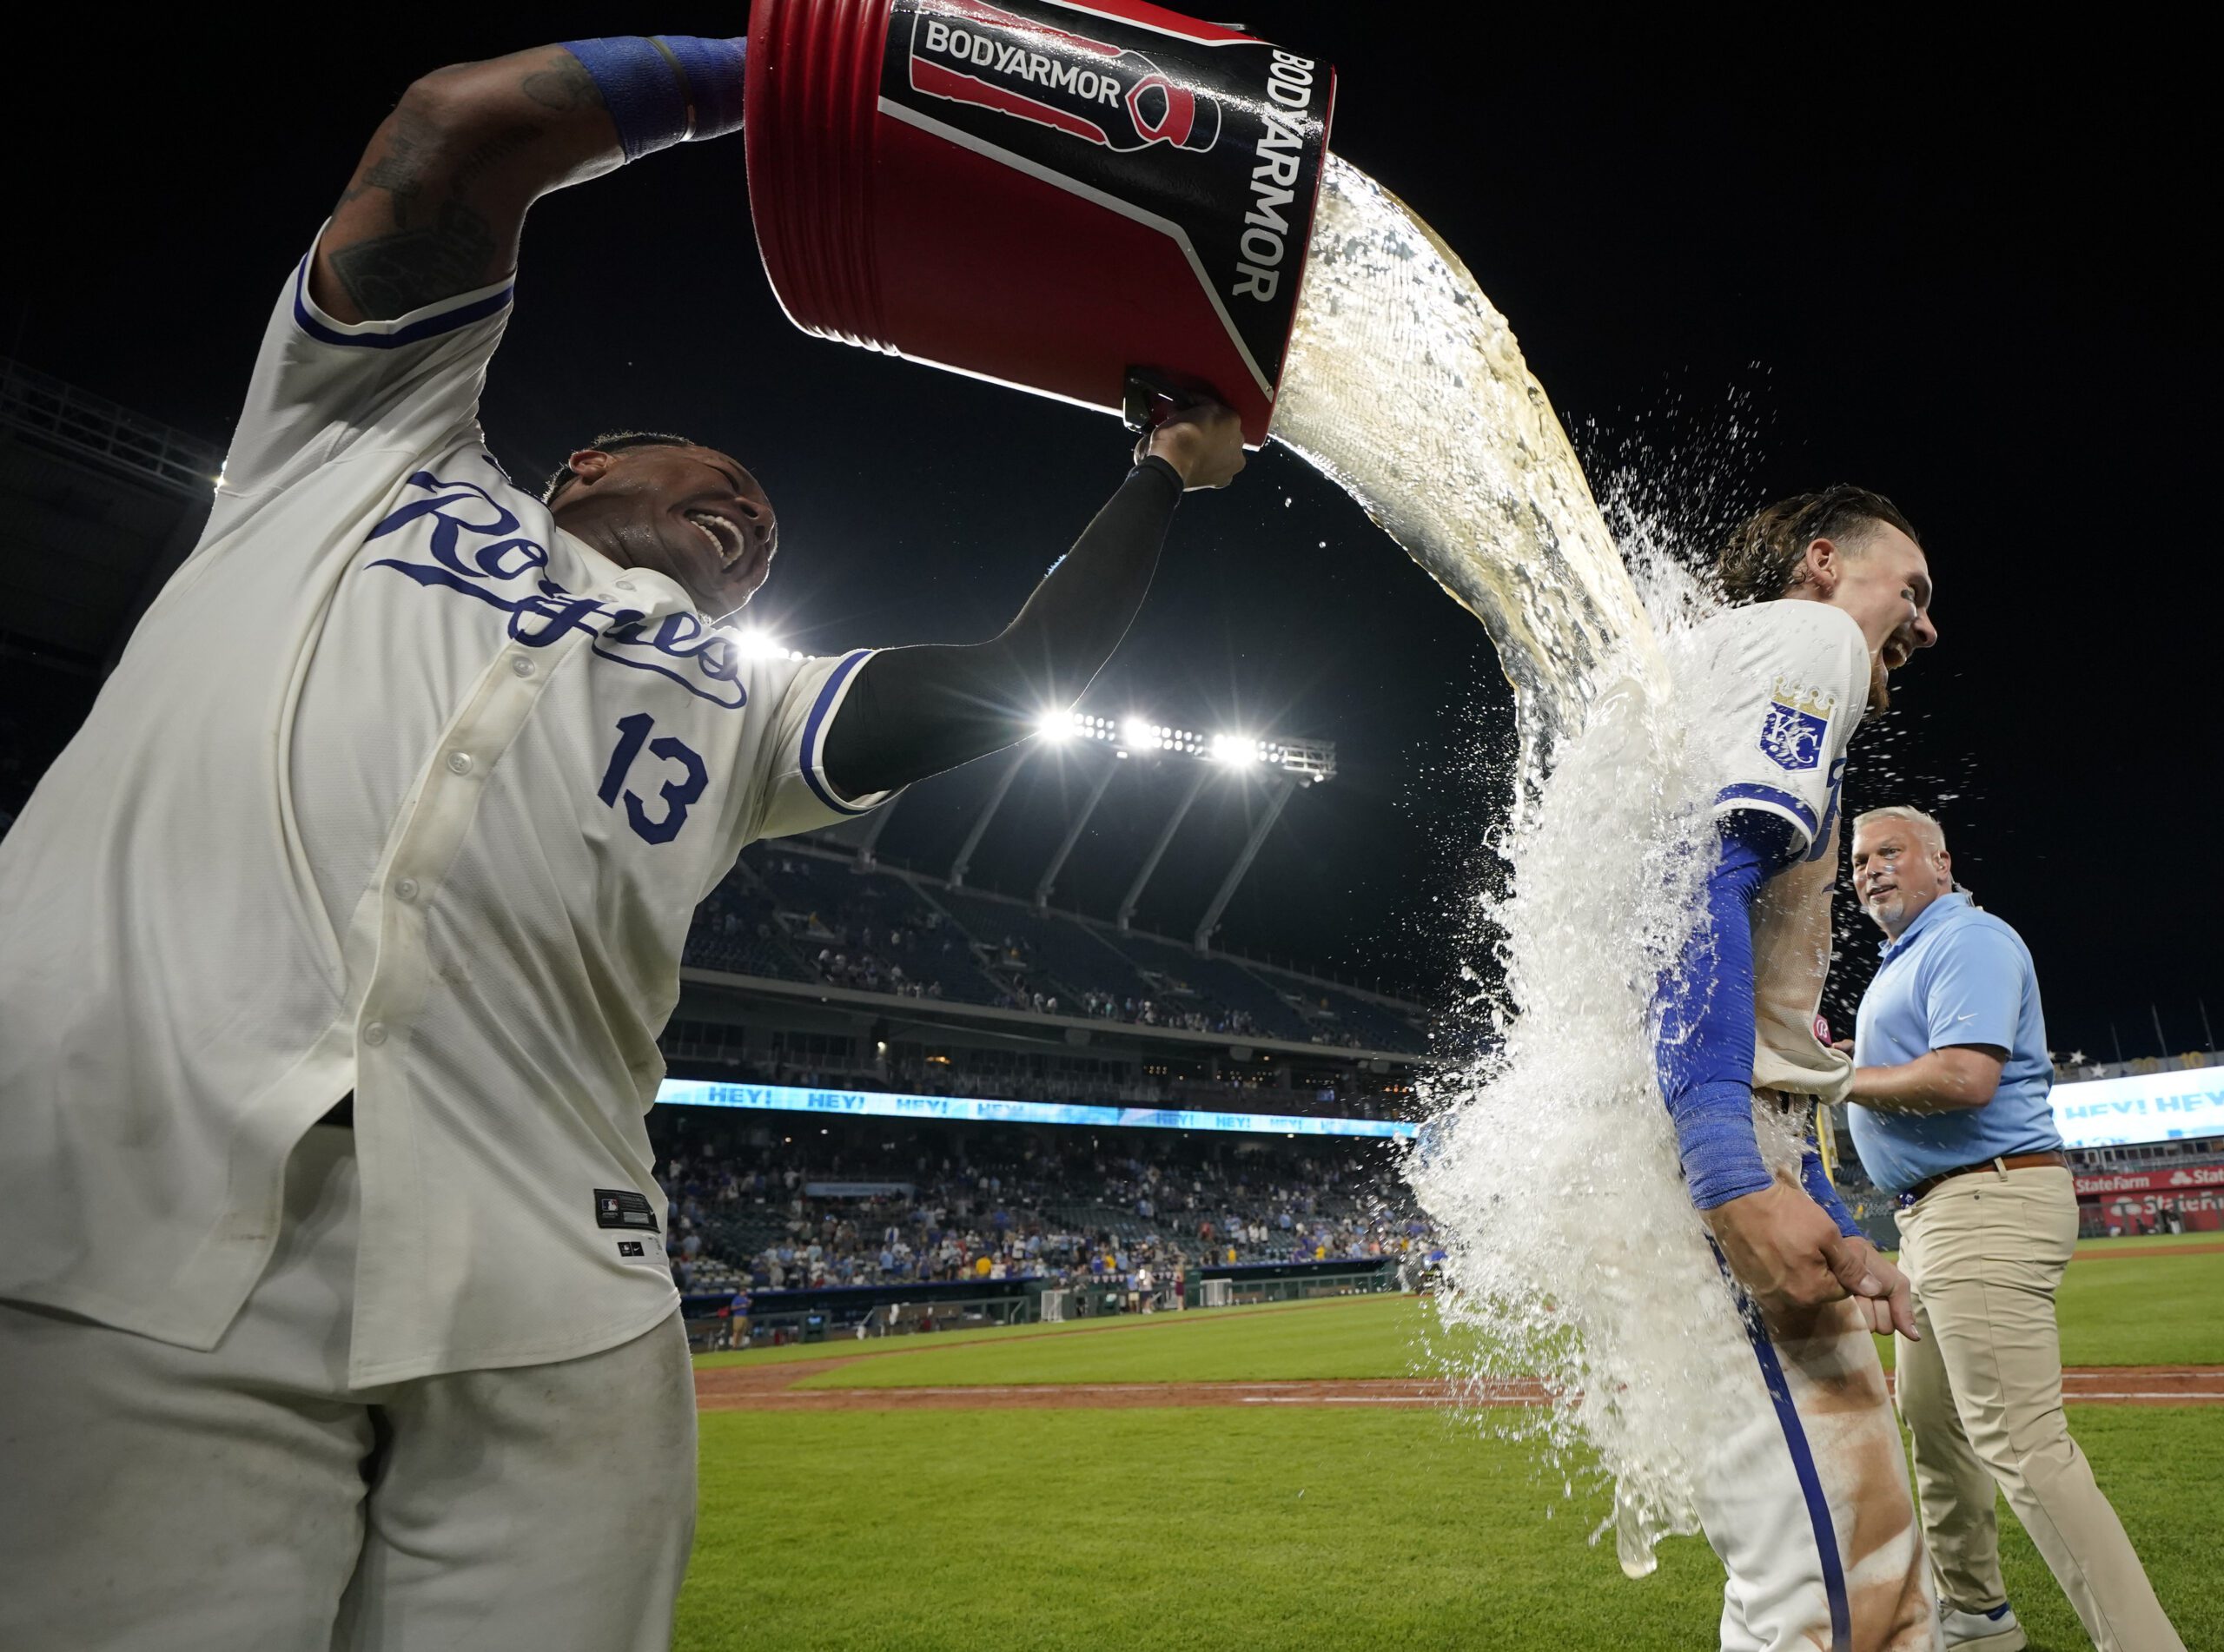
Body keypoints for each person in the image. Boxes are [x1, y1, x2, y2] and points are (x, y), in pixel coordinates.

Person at [0, 32, 1241, 1652]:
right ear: (586, 461)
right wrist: (814, 75)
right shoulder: (362, 446)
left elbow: (1023, 680)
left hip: (554, 1279)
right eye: (716, 479)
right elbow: (454, 135)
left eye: (768, 525)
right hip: (129, 1198)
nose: (753, 516)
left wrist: (1160, 471)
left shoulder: (749, 687)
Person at [1652, 486, 1941, 1651]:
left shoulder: (1718, 664)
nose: (1924, 626)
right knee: (1824, 1589)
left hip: (1717, 1108)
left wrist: (1807, 1185)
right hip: (1702, 1129)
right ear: (1822, 562)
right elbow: (1694, 879)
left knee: (1868, 1569)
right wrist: (1729, 1165)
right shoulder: (1812, 636)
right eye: (1909, 588)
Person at [1843, 808, 2184, 1652]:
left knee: (2021, 1446)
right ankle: (1978, 1619)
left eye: (1890, 852)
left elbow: (1964, 1077)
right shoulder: (1910, 955)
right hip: (1934, 1215)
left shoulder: (1967, 939)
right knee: (1934, 1422)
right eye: (1859, 859)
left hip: (1985, 1200)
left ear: (1938, 862)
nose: (1871, 869)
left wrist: (1840, 1078)